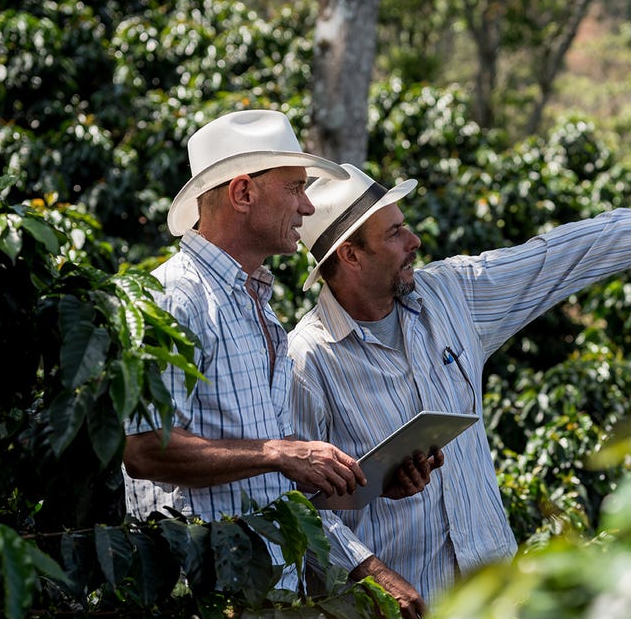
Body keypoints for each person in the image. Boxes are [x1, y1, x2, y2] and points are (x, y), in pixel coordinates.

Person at [288, 162, 631, 619]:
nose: (414, 241)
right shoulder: (308, 360)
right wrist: (370, 571)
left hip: (484, 608)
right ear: (350, 255)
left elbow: (553, 257)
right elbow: (293, 508)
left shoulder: (451, 296)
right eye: (394, 233)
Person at [121, 110, 440, 592]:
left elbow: (273, 472)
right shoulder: (174, 297)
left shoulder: (260, 309)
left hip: (266, 600)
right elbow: (144, 450)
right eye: (295, 188)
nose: (307, 207)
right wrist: (278, 453)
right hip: (201, 603)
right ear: (243, 193)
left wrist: (364, 482)